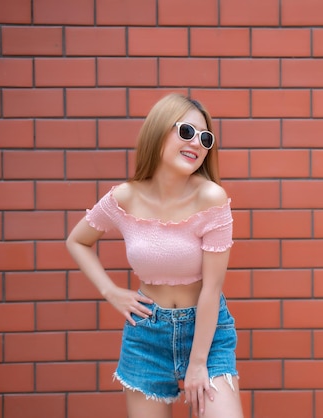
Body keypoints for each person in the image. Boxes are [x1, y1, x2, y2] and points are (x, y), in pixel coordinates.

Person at [66, 93, 244, 418]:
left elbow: (211, 288)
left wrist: (198, 362)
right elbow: (77, 241)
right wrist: (111, 292)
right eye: (186, 132)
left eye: (205, 138)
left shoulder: (211, 198)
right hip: (147, 334)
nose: (198, 143)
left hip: (207, 333)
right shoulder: (124, 197)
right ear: (159, 131)